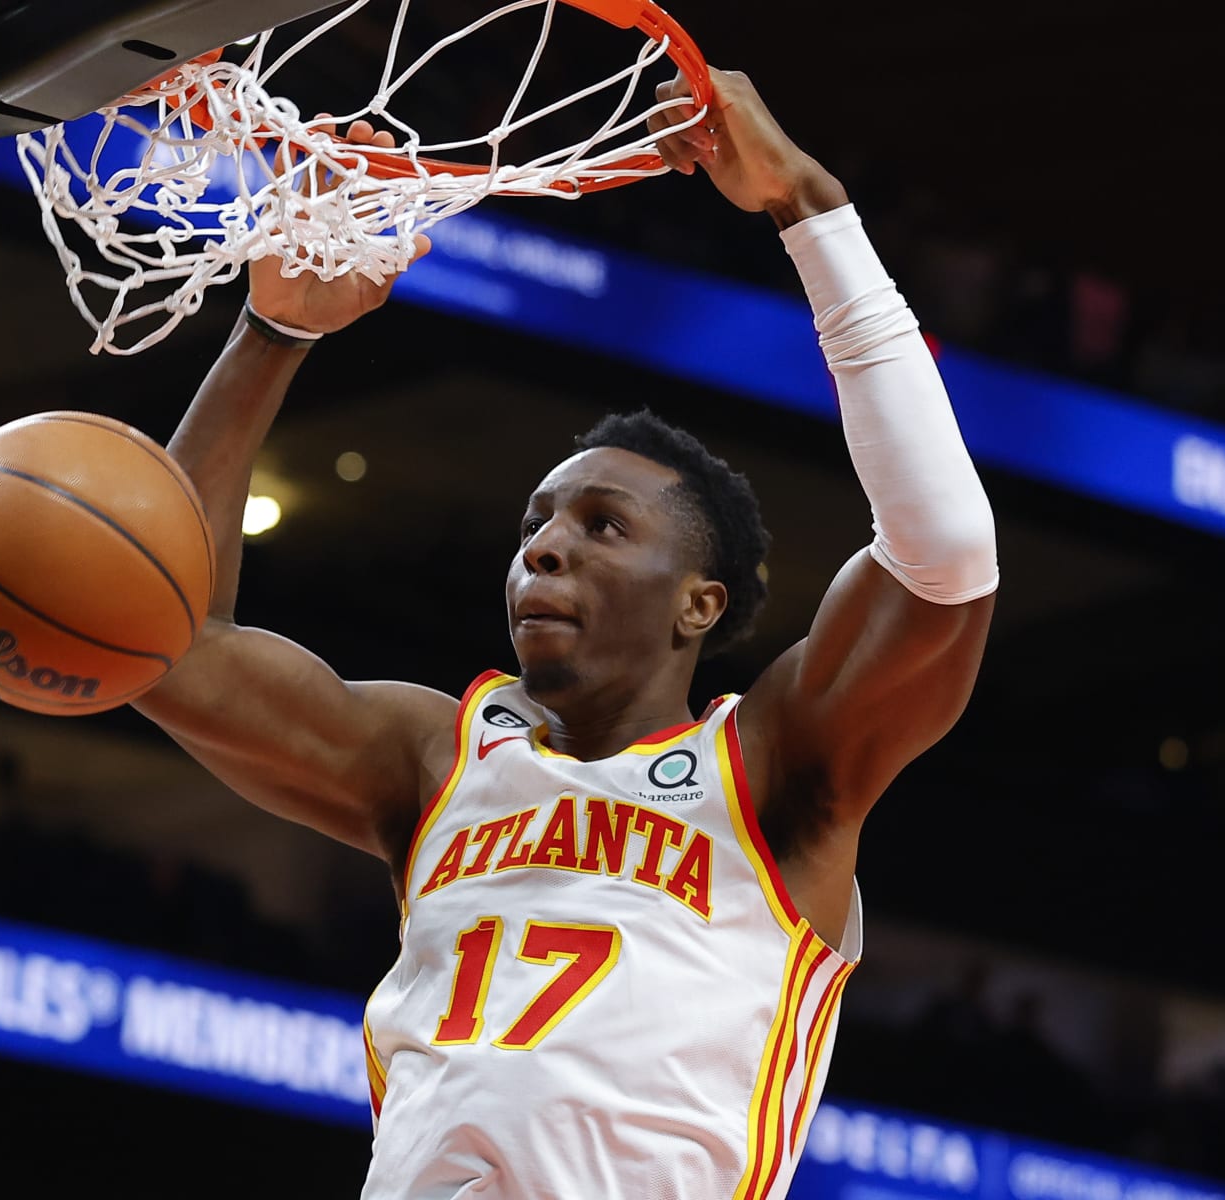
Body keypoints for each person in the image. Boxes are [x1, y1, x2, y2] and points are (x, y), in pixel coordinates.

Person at [134, 67, 998, 1200]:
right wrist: (273, 329)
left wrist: (806, 205)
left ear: (701, 603)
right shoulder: (439, 759)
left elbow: (944, 555)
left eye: (603, 526)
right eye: (535, 525)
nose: (544, 549)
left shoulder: (775, 770)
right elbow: (162, 639)